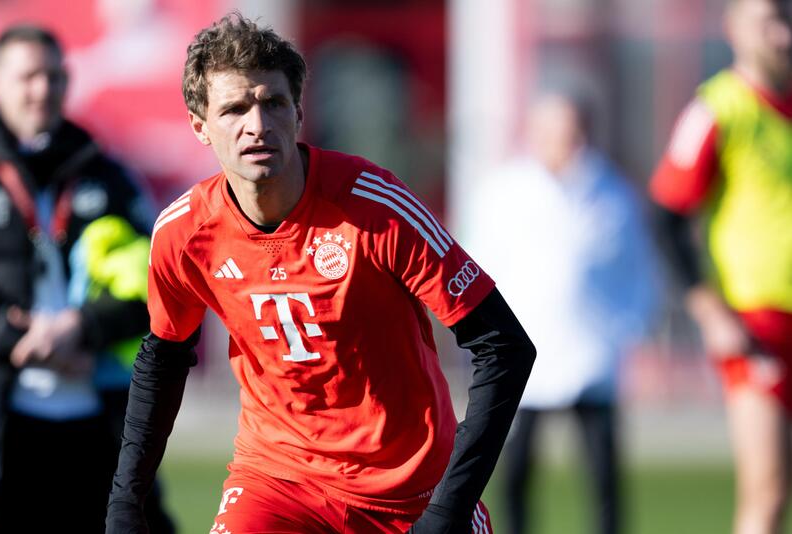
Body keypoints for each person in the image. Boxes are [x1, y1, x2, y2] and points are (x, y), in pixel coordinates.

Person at [106, 13, 536, 534]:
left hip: (409, 491)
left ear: (298, 113)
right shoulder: (183, 232)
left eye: (273, 104)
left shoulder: (375, 206)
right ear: (200, 126)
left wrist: (448, 508)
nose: (257, 125)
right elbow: (164, 356)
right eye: (235, 109)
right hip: (277, 482)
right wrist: (125, 503)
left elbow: (504, 346)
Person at [0, 24, 175, 534]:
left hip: (97, 424)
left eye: (55, 76)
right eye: (28, 76)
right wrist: (21, 338)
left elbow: (162, 281)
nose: (42, 89)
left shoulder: (110, 174)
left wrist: (83, 328)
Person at [469, 92, 659, 534]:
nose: (565, 142)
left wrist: (628, 327)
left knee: (603, 473)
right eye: (554, 132)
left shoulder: (614, 193)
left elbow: (640, 268)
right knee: (513, 469)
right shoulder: (503, 192)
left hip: (592, 349)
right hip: (521, 347)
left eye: (573, 131)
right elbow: (475, 263)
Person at [651, 1, 792, 532]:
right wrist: (710, 310)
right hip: (759, 325)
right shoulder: (718, 108)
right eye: (767, 24)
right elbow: (664, 217)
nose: (780, 36)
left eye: (785, 22)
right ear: (734, 30)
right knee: (768, 492)